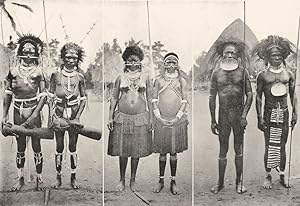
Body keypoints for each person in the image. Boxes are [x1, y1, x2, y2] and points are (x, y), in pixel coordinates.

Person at [2, 34, 47, 191]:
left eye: (32, 51)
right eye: (25, 51)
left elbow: (44, 96)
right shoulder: (13, 72)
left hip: (34, 110)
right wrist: (4, 115)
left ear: (36, 53)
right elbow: (7, 94)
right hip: (17, 110)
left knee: (36, 145)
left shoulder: (39, 72)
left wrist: (35, 115)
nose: (28, 54)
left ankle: (38, 177)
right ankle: (20, 177)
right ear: (20, 51)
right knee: (20, 145)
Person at [209, 40, 253, 194]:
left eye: (232, 52)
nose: (229, 55)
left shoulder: (243, 72)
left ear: (237, 55)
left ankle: (239, 182)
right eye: (226, 52)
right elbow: (212, 97)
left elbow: (249, 94)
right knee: (223, 149)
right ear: (222, 54)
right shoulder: (216, 73)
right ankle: (220, 183)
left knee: (238, 149)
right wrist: (213, 120)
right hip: (223, 116)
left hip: (238, 115)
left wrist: (244, 115)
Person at [253, 35, 297, 189]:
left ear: (283, 56)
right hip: (269, 113)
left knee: (282, 145)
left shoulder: (289, 74)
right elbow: (258, 98)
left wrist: (295, 113)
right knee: (269, 145)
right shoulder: (263, 75)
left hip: (284, 113)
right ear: (268, 57)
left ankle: (283, 175)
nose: (276, 57)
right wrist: (259, 117)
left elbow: (293, 95)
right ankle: (268, 175)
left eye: (279, 55)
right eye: (273, 55)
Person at [107, 45, 152, 192]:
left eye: (136, 60)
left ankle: (133, 180)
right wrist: (110, 117)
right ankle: (121, 180)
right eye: (130, 60)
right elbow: (114, 97)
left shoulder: (146, 78)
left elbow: (150, 98)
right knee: (123, 150)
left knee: (136, 150)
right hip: (122, 118)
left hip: (140, 118)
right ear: (125, 61)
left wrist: (151, 118)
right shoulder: (120, 78)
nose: (133, 63)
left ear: (140, 61)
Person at [49, 42, 87, 189]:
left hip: (73, 113)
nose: (71, 60)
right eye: (68, 57)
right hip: (59, 113)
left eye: (74, 57)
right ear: (63, 58)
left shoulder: (80, 77)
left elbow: (83, 99)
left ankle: (73, 177)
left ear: (78, 60)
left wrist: (77, 117)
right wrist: (53, 115)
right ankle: (58, 177)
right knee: (59, 146)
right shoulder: (56, 75)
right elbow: (50, 96)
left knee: (72, 146)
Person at [152, 52, 188, 195]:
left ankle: (173, 181)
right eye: (168, 62)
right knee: (162, 153)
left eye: (174, 62)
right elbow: (154, 100)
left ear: (177, 64)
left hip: (176, 121)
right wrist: (158, 117)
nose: (171, 65)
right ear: (164, 64)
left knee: (173, 153)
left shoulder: (181, 81)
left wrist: (177, 117)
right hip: (162, 119)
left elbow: (185, 101)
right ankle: (161, 180)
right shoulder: (159, 80)